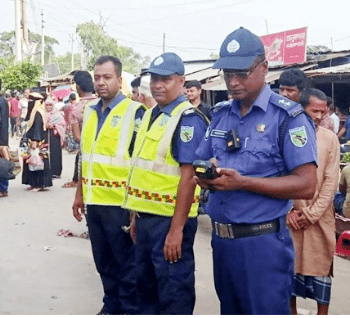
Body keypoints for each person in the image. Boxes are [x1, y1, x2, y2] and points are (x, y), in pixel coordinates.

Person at [194, 27, 318, 315]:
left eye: (241, 73)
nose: (233, 82)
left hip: (262, 245)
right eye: (227, 74)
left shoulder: (288, 118)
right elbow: (203, 161)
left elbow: (306, 185)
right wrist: (207, 174)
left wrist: (243, 183)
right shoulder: (222, 114)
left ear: (264, 67)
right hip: (223, 242)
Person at [123, 52, 207, 314]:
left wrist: (176, 230)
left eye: (166, 79)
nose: (158, 85)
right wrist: (136, 216)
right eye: (155, 79)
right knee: (146, 291)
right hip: (148, 219)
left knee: (173, 293)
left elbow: (188, 177)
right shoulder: (151, 115)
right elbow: (142, 171)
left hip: (170, 222)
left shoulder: (188, 119)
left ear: (181, 81)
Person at [72, 55, 146, 315]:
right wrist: (79, 194)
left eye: (107, 77)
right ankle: (111, 305)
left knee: (127, 266)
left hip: (121, 205)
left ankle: (127, 309)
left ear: (119, 79)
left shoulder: (136, 113)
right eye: (97, 77)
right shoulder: (90, 112)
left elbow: (139, 165)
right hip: (95, 203)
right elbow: (86, 157)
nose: (101, 83)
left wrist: (136, 210)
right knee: (103, 263)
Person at [287, 88, 339, 315]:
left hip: (320, 218)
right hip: (291, 218)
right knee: (289, 272)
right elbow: (280, 174)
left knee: (321, 272)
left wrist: (311, 214)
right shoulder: (286, 133)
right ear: (302, 107)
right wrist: (289, 209)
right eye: (314, 110)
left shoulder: (330, 139)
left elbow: (331, 181)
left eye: (323, 112)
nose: (319, 116)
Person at [62, 71, 97, 189]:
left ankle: (76, 181)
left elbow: (77, 136)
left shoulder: (77, 109)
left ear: (78, 87)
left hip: (86, 150)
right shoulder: (103, 104)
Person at [22, 92, 53, 191]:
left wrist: (35, 140)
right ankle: (34, 183)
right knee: (33, 162)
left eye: (32, 100)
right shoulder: (35, 111)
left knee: (37, 162)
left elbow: (37, 127)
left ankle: (38, 184)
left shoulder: (38, 112)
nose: (30, 102)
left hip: (37, 141)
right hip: (34, 139)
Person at [44, 98, 66, 179]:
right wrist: (45, 125)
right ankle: (47, 171)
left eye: (50, 105)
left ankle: (56, 172)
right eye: (47, 105)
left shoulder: (57, 114)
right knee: (45, 153)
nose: (49, 107)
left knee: (55, 153)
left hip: (54, 136)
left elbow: (62, 123)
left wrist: (54, 125)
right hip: (45, 135)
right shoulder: (43, 114)